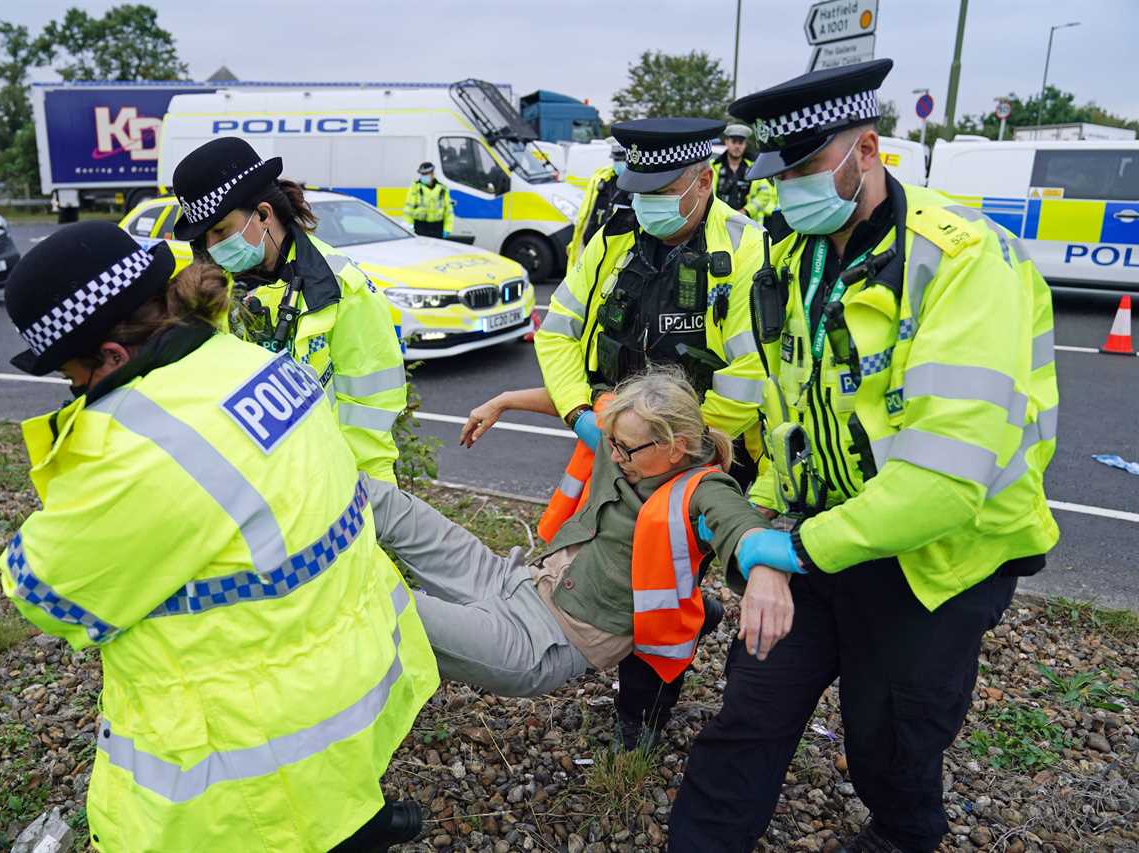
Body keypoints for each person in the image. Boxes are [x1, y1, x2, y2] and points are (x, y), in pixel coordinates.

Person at [668, 59, 1059, 853]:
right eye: (778, 175)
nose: (787, 192)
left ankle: (902, 832)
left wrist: (793, 545)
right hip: (822, 528)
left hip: (941, 554)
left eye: (807, 169)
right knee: (751, 705)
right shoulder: (789, 265)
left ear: (868, 151)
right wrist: (769, 538)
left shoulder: (964, 263)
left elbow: (945, 485)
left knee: (894, 733)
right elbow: (790, 426)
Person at [0, 222, 439, 852]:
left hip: (258, 746)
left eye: (72, 377)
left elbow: (48, 592)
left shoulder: (140, 448)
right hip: (348, 669)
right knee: (340, 801)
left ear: (113, 357)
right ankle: (365, 821)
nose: (74, 393)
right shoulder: (250, 363)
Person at [535, 117, 769, 751]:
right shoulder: (614, 240)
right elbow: (557, 332)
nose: (645, 204)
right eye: (638, 189)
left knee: (657, 579)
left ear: (702, 180)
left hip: (696, 452)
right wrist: (583, 415)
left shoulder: (745, 251)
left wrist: (683, 452)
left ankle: (643, 715)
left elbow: (753, 373)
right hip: (620, 444)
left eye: (661, 191)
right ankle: (697, 614)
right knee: (622, 564)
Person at [371, 367, 770, 698]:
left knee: (376, 607)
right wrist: (504, 400)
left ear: (675, 446)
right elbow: (570, 403)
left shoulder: (703, 490)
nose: (612, 455)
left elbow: (738, 522)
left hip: (539, 642)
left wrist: (766, 572)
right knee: (391, 506)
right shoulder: (626, 441)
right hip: (513, 579)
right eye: (610, 441)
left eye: (624, 448)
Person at [172, 137, 406, 483]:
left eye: (220, 231)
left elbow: (371, 415)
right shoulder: (210, 291)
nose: (213, 248)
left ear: (264, 214)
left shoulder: (341, 288)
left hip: (328, 482)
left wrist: (368, 501)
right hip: (248, 482)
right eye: (204, 238)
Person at [566, 140, 630, 268]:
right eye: (616, 160)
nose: (618, 164)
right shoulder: (606, 181)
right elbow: (593, 213)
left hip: (621, 247)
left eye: (621, 160)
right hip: (598, 242)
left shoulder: (635, 186)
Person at [709, 123, 776, 223]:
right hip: (718, 221)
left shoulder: (756, 168)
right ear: (726, 142)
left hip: (749, 224)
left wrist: (745, 211)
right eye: (734, 142)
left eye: (740, 143)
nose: (737, 146)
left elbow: (764, 194)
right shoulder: (713, 166)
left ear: (745, 144)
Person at [402, 161, 454, 238]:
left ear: (432, 173)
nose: (423, 176)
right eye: (422, 174)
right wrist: (409, 228)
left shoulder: (442, 189)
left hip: (438, 228)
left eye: (426, 174)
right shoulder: (415, 188)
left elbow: (448, 212)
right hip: (420, 228)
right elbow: (408, 211)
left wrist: (448, 229)